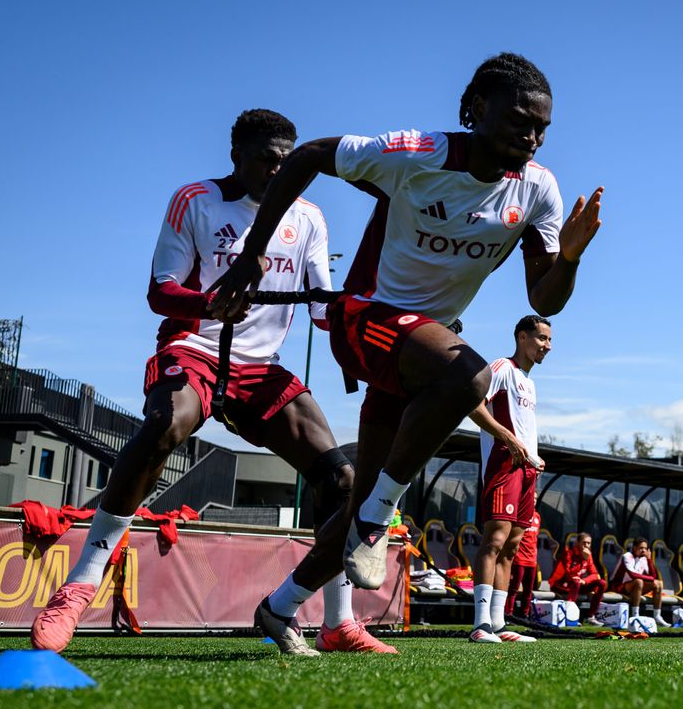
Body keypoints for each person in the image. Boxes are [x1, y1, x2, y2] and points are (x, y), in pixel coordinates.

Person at [207, 54, 603, 622]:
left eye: (542, 127)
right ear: (476, 109)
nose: (532, 137)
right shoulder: (417, 154)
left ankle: (281, 606)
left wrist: (570, 257)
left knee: (358, 503)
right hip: (364, 319)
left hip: (419, 351)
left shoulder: (539, 190)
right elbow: (309, 155)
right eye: (520, 120)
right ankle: (380, 517)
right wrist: (252, 255)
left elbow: (543, 299)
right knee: (470, 376)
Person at [30, 109, 393, 656]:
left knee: (343, 481)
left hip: (261, 368)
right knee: (164, 425)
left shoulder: (310, 217)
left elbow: (323, 311)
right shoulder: (195, 200)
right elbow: (160, 291)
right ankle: (79, 586)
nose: (279, 172)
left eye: (288, 163)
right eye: (267, 160)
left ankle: (337, 623)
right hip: (195, 349)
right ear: (236, 157)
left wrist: (378, 308)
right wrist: (212, 305)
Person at [467, 314, 551, 643]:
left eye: (550, 340)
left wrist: (534, 456)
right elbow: (473, 406)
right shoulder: (502, 368)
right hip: (502, 465)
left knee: (512, 547)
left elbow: (524, 427)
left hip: (527, 469)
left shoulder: (530, 382)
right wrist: (509, 439)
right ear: (522, 337)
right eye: (542, 338)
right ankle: (480, 625)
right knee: (495, 541)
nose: (547, 345)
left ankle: (498, 624)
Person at [610, 537, 670, 627]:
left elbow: (653, 576)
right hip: (619, 586)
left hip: (635, 588)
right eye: (641, 548)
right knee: (639, 582)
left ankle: (657, 616)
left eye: (645, 548)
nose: (644, 550)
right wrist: (651, 579)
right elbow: (633, 575)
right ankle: (635, 615)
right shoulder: (627, 556)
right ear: (635, 548)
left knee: (658, 584)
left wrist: (649, 559)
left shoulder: (643, 559)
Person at [549, 533, 605, 626]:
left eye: (588, 543)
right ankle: (570, 616)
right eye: (584, 543)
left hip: (576, 585)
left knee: (601, 583)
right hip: (559, 584)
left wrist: (584, 581)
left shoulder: (588, 555)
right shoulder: (568, 553)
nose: (586, 545)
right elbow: (568, 574)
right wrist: (583, 559)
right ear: (577, 542)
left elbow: (595, 574)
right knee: (576, 582)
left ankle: (590, 616)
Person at [507, 510, 541, 621]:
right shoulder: (520, 513)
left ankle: (524, 615)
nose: (534, 501)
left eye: (535, 500)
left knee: (528, 590)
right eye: (532, 500)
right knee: (513, 589)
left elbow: (534, 539)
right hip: (519, 559)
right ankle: (508, 615)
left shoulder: (537, 516)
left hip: (532, 560)